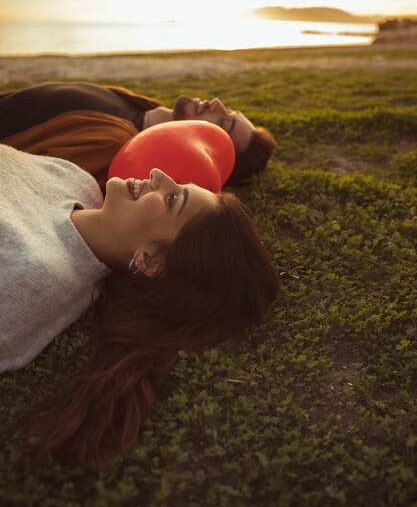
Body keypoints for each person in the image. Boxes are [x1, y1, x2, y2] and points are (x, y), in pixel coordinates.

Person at [0, 143, 278, 465]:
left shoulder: (31, 281)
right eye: (176, 182)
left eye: (172, 199)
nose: (157, 174)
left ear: (151, 262)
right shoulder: (77, 181)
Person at [0, 81, 276, 185]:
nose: (218, 104)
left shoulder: (112, 143)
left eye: (224, 122)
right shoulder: (143, 106)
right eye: (231, 111)